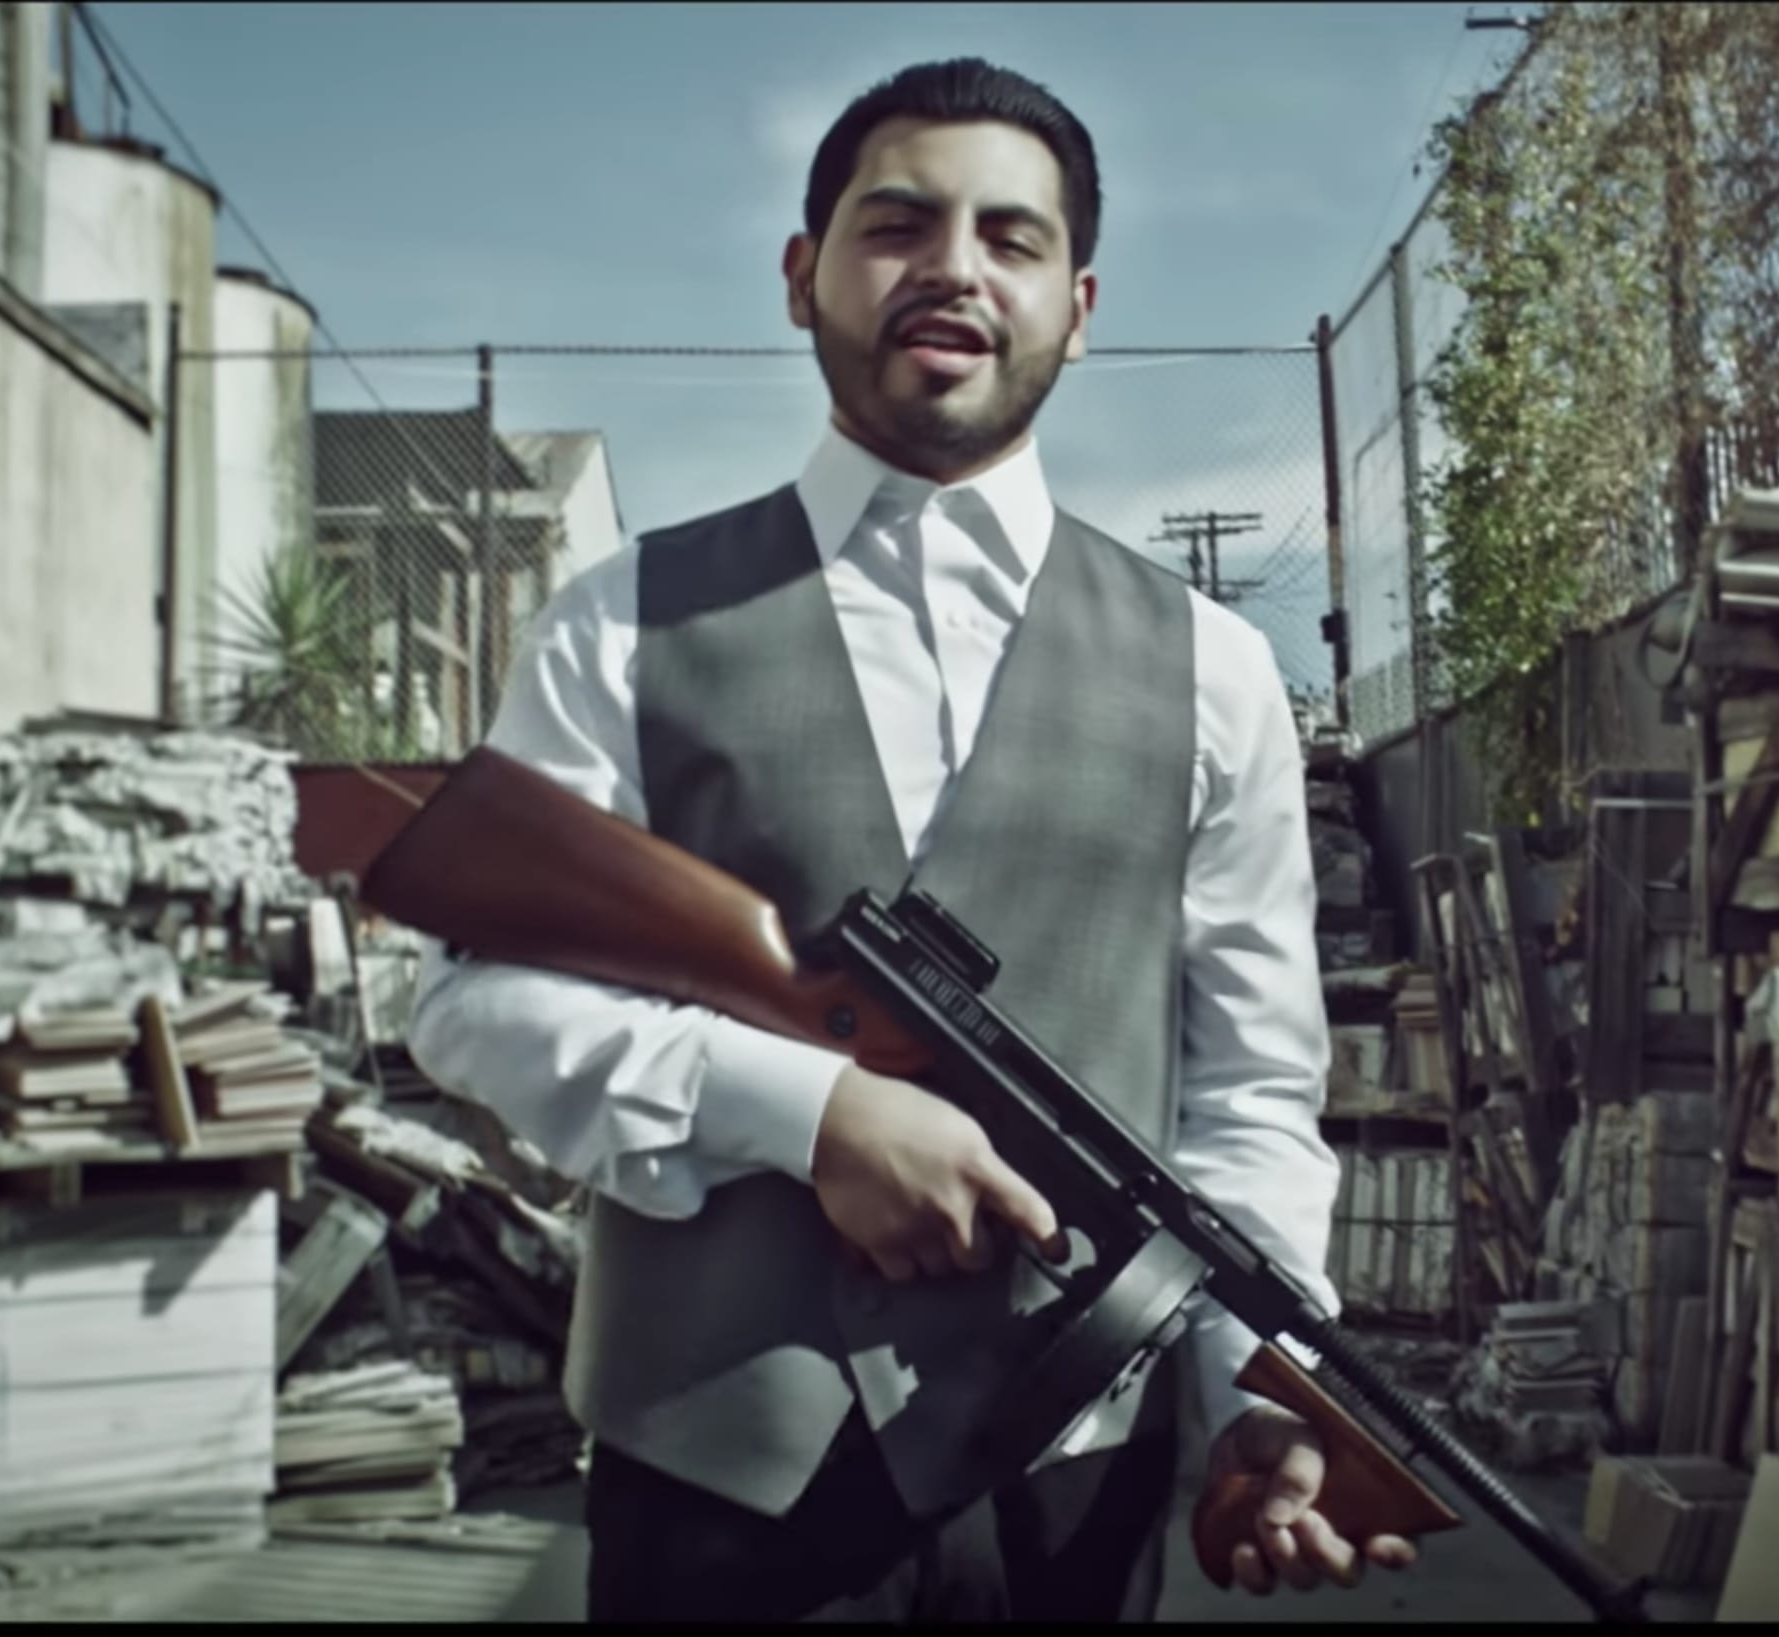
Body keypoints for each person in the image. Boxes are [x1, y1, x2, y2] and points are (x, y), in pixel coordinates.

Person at [403, 55, 1407, 1625]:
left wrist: (1263, 1397)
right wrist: (806, 1113)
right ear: (804, 277)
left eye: (1011, 237)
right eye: (899, 224)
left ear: (1079, 305)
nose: (953, 266)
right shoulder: (623, 622)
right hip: (714, 1480)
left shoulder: (1214, 667)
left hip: (1076, 1478)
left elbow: (1252, 1098)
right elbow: (473, 1001)